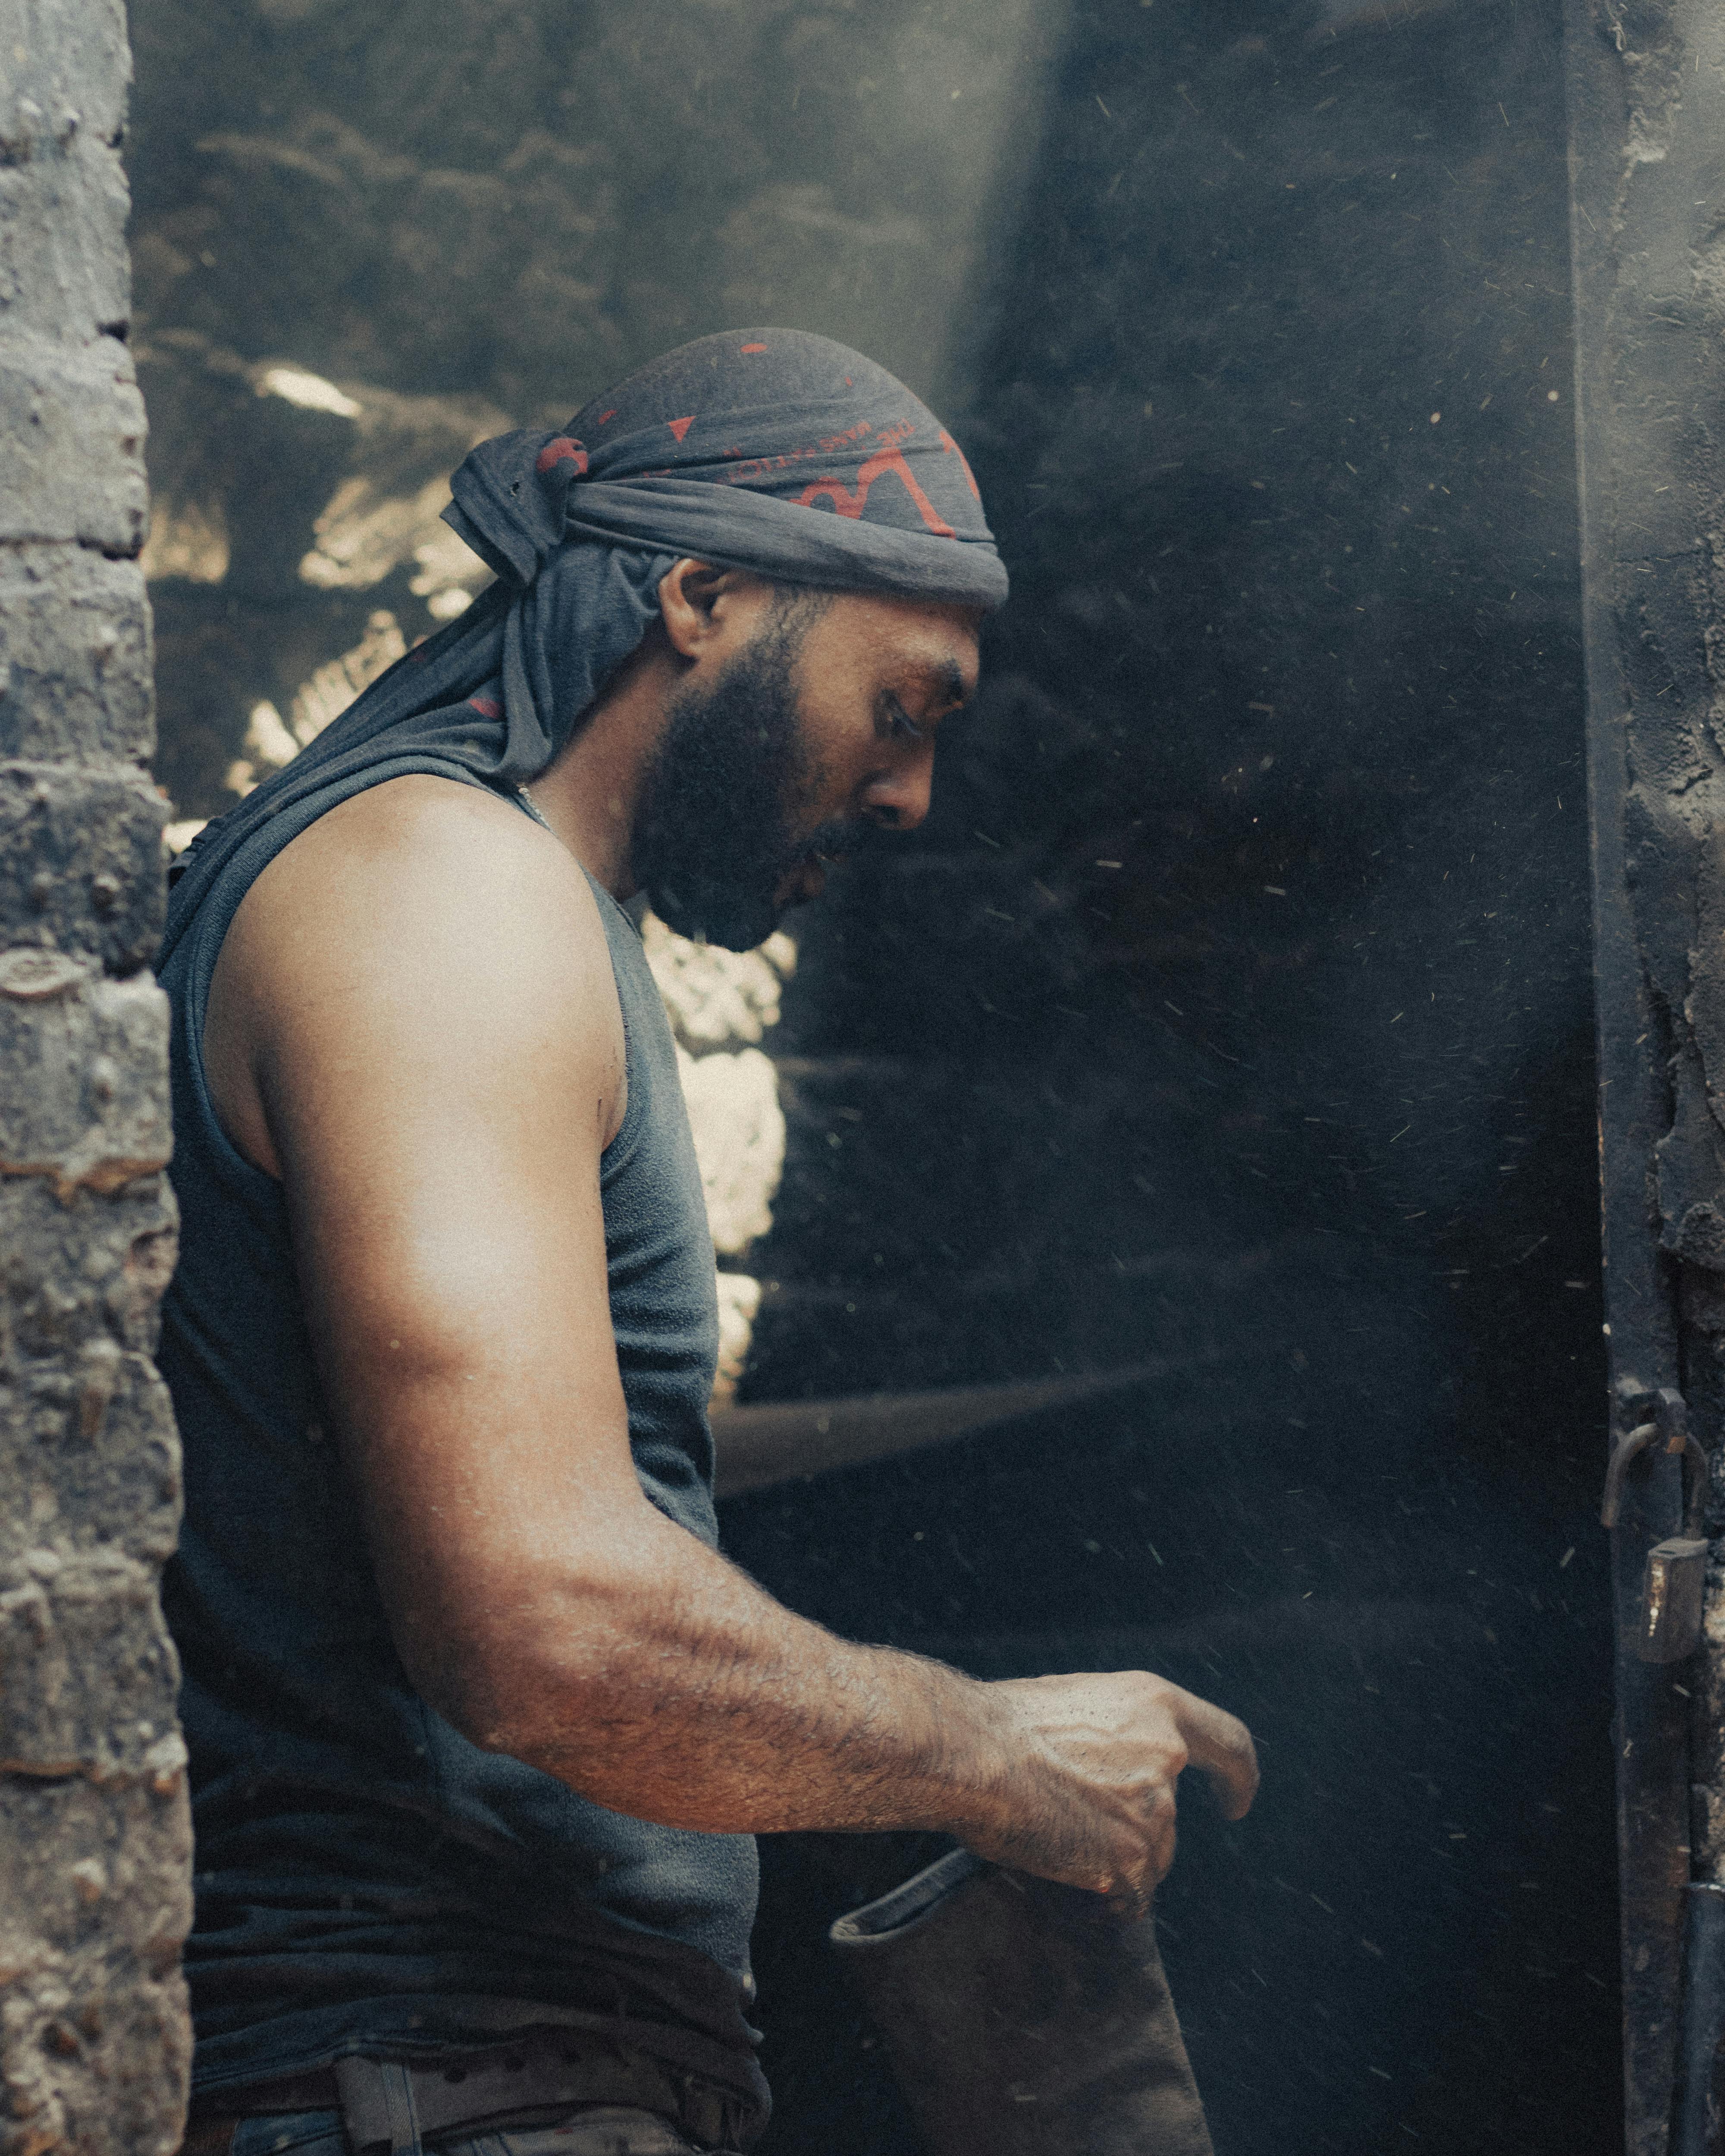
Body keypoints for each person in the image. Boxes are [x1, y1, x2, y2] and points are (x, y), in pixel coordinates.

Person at [159, 330, 1258, 2156]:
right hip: (422, 2077)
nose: (908, 794)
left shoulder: (487, 905)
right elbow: (546, 1624)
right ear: (705, 593)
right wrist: (1000, 1761)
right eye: (902, 704)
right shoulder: (443, 894)